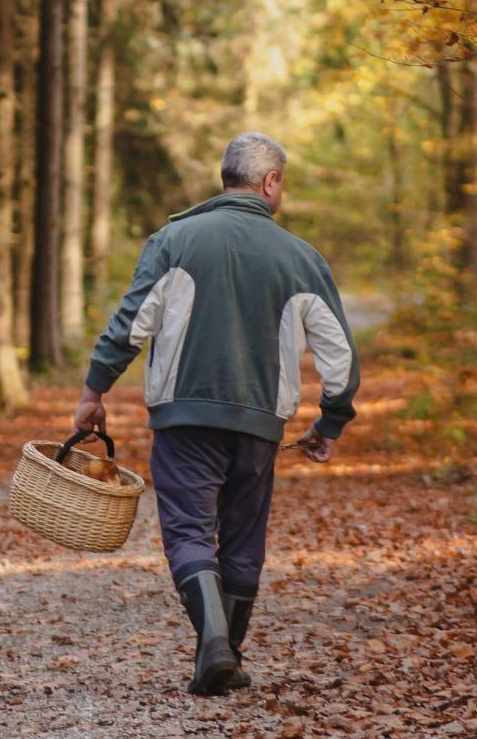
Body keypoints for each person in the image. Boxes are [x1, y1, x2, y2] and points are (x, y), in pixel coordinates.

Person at [74, 132, 360, 696]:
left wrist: (94, 390)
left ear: (225, 176)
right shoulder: (303, 258)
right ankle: (224, 654)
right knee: (244, 538)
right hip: (258, 428)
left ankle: (213, 648)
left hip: (185, 422)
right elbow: (340, 358)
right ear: (270, 182)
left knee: (188, 531)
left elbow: (131, 325)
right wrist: (330, 423)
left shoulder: (173, 240)